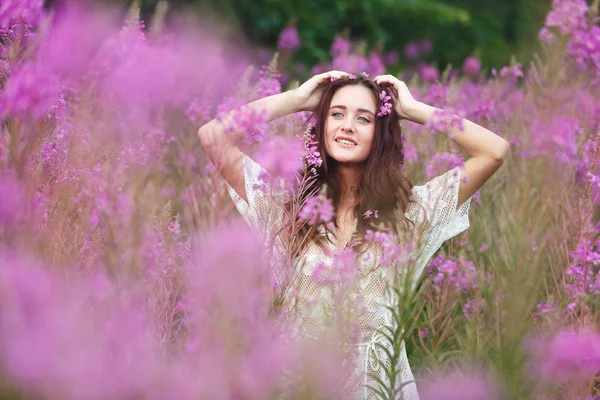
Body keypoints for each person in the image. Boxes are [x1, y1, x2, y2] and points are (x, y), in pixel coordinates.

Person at [198, 70, 509, 399]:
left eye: (364, 118)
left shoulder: (413, 213)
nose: (347, 125)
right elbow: (213, 137)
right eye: (336, 114)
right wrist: (297, 100)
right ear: (323, 125)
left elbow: (494, 151)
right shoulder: (284, 208)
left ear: (381, 133)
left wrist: (414, 110)